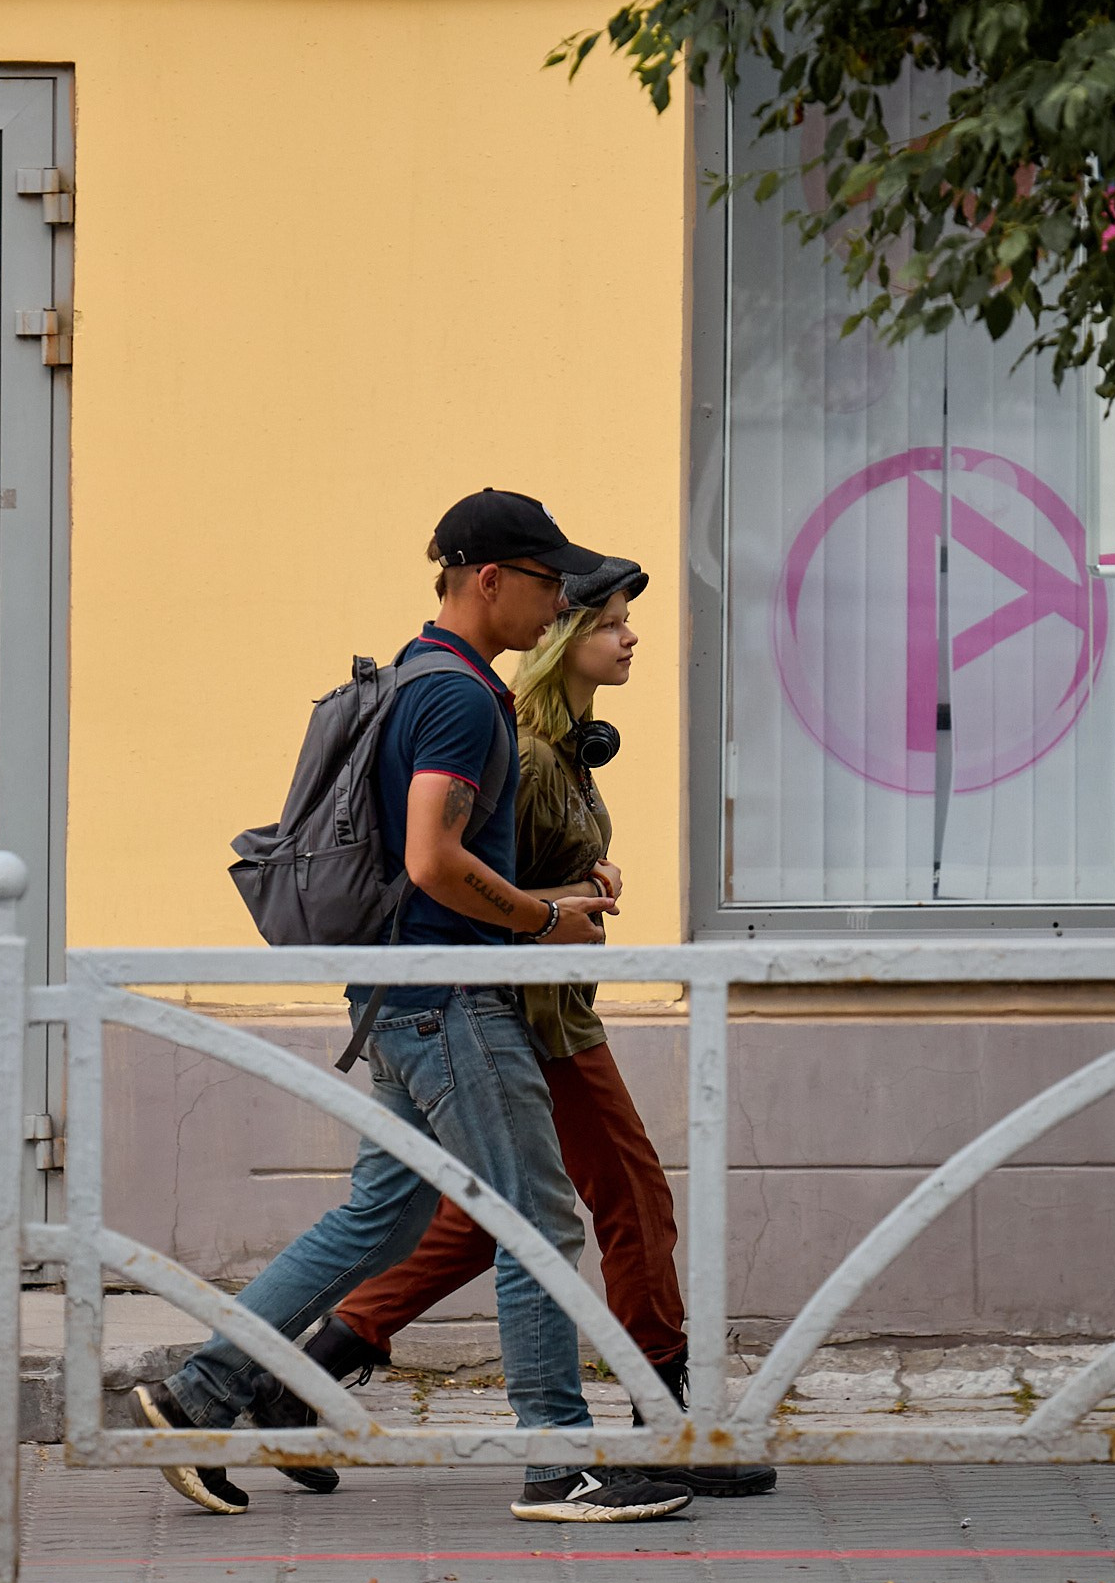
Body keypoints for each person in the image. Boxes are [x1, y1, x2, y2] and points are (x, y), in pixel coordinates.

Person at [131, 489, 694, 1525]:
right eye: (543, 582)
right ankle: (557, 1461)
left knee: (380, 1216)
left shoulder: (418, 675)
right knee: (532, 1221)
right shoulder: (460, 698)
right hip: (450, 1001)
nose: (554, 602)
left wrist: (544, 905)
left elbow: (434, 858)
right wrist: (536, 925)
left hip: (404, 995)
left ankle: (202, 1393)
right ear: (490, 579)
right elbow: (435, 860)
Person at [254, 558, 779, 1499]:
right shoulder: (525, 747)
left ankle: (292, 1379)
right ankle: (661, 1424)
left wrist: (591, 876)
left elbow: (523, 874)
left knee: (471, 1224)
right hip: (527, 1015)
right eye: (611, 621)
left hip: (543, 1006)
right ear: (564, 635)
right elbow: (467, 882)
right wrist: (560, 905)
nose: (630, 637)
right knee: (628, 1198)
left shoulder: (563, 744)